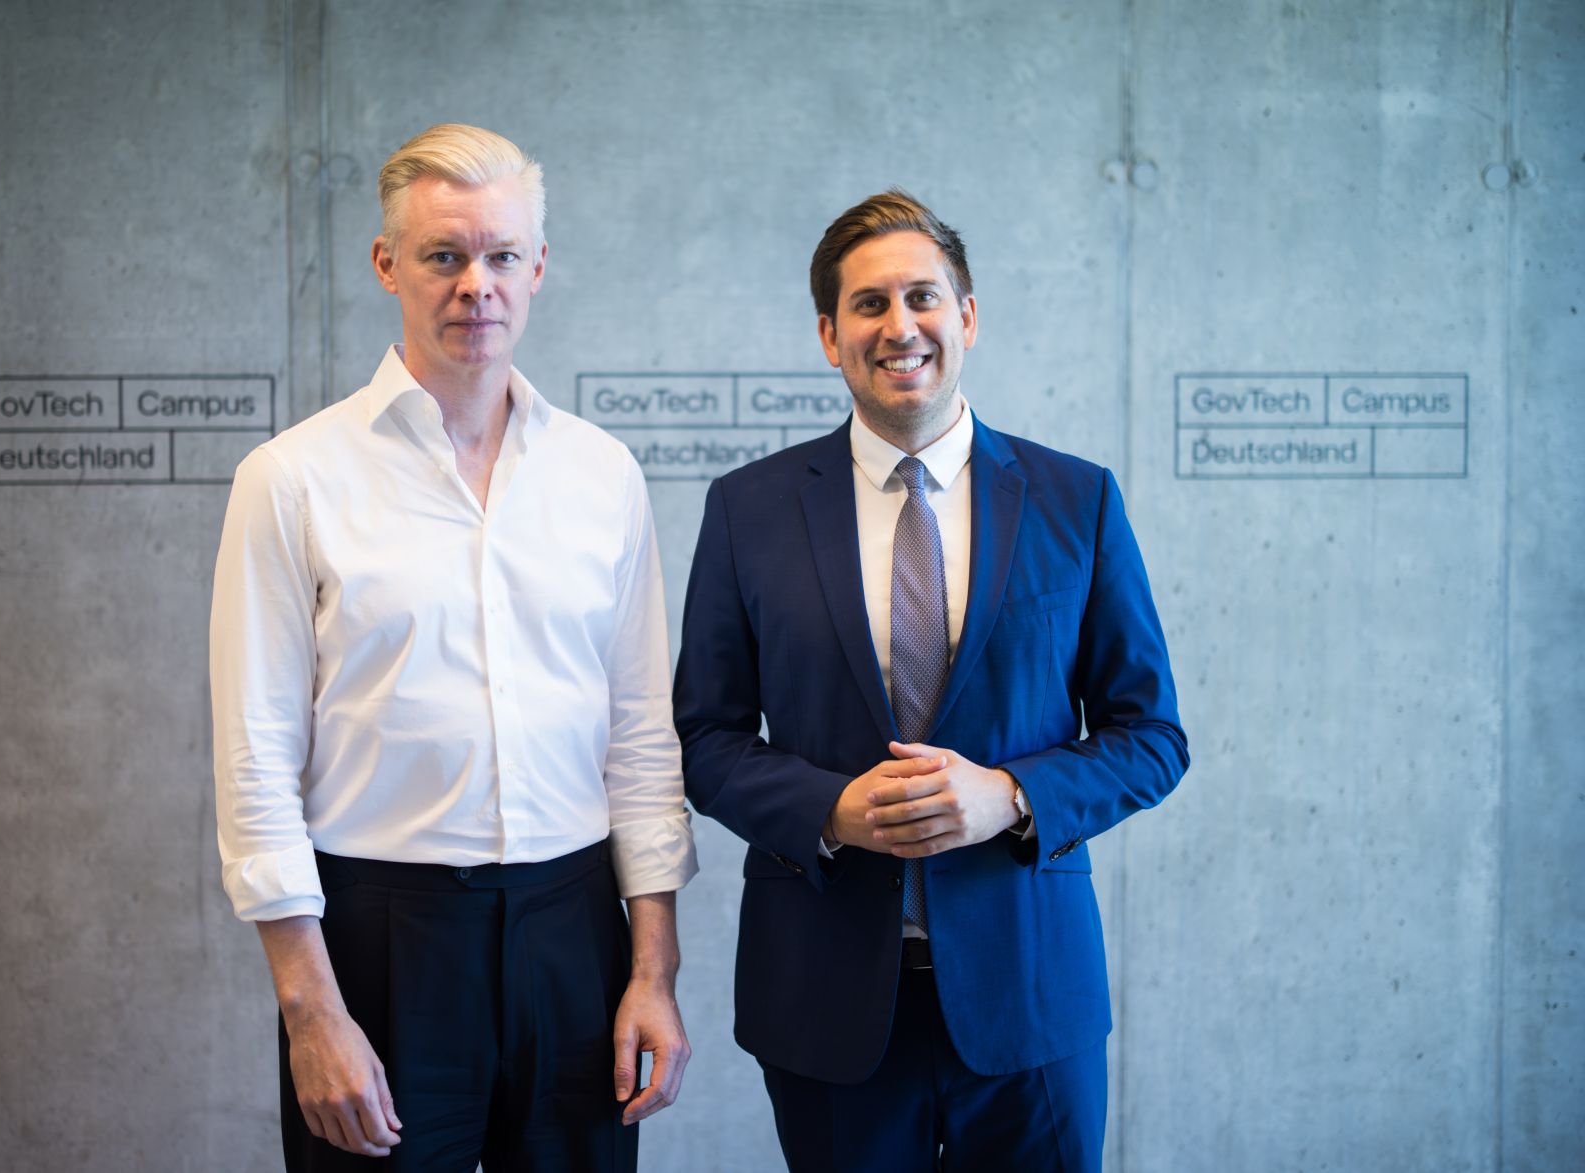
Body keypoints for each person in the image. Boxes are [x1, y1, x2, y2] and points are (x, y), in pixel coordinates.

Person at [211, 123, 697, 1171]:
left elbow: (640, 740)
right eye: (443, 256)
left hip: (575, 934)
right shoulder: (291, 479)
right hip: (380, 943)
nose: (475, 284)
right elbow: (253, 766)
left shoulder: (601, 474)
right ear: (386, 264)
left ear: (537, 268)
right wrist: (310, 1014)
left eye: (501, 256)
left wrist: (650, 970)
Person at [673, 189, 1188, 1172]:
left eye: (922, 297)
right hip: (826, 1001)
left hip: (1029, 996)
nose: (897, 325)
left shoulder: (1074, 499)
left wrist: (1007, 795)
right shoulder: (750, 510)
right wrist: (831, 809)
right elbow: (704, 736)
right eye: (867, 305)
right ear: (829, 336)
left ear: (967, 316)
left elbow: (1149, 734)